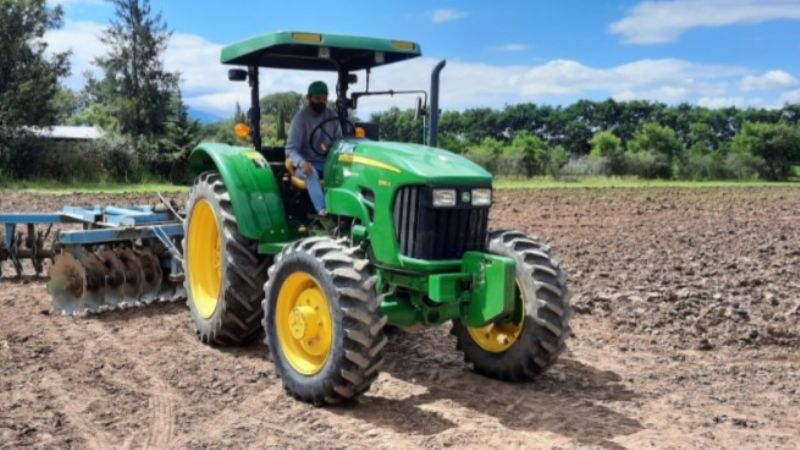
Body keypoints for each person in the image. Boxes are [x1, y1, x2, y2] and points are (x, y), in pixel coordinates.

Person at [285, 80, 342, 215]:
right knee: (311, 172)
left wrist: (331, 149)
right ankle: (323, 212)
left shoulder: (332, 115)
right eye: (317, 98)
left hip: (327, 162)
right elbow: (291, 149)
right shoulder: (300, 119)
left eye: (324, 99)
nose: (321, 102)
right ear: (309, 98)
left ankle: (345, 211)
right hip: (307, 163)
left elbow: (339, 141)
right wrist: (302, 162)